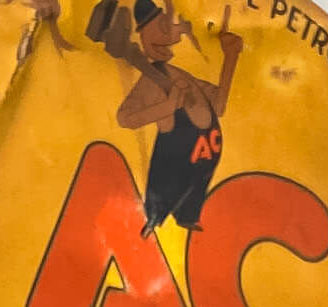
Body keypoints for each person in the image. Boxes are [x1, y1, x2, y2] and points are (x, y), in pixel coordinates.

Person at [89, 0, 242, 234]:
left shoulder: (182, 76)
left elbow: (219, 106)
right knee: (156, 216)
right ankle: (154, 222)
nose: (173, 33)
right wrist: (167, 107)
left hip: (202, 164)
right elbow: (125, 118)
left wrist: (231, 56)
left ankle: (186, 216)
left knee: (188, 208)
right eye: (162, 27)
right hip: (171, 172)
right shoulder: (153, 80)